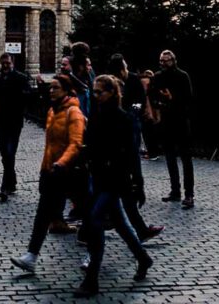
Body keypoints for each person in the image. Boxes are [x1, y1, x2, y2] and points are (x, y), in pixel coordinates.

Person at [73, 75, 153, 298]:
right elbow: (91, 144)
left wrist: (138, 183)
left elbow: (131, 154)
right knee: (121, 224)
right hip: (99, 178)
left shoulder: (123, 118)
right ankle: (143, 258)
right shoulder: (97, 115)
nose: (95, 95)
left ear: (112, 92)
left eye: (100, 92)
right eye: (94, 92)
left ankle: (91, 280)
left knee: (96, 220)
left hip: (115, 180)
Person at [11, 74, 85, 275]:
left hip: (70, 172)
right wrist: (46, 167)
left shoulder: (74, 113)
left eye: (55, 87)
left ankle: (98, 255)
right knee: (42, 215)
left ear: (67, 90)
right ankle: (31, 256)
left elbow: (76, 143)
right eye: (50, 87)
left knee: (91, 215)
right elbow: (50, 145)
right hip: (51, 171)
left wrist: (61, 163)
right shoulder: (52, 111)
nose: (51, 91)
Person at [107, 55, 164, 244]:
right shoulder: (109, 83)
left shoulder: (132, 79)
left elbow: (140, 99)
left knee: (122, 189)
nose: (125, 70)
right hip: (117, 139)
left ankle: (138, 229)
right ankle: (95, 229)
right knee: (116, 191)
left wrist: (133, 112)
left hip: (131, 126)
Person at [151, 49, 195, 209]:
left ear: (173, 61)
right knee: (170, 158)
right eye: (161, 61)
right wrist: (160, 105)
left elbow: (188, 99)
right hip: (166, 121)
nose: (163, 64)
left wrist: (172, 99)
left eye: (166, 61)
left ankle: (189, 194)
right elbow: (152, 96)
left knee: (186, 159)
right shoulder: (157, 77)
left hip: (181, 121)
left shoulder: (182, 76)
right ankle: (175, 190)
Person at [0, 53, 32, 202]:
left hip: (14, 120)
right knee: (4, 153)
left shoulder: (20, 77)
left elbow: (28, 95)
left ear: (12, 63)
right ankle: (12, 182)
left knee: (9, 152)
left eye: (7, 63)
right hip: (0, 120)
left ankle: (4, 187)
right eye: (3, 63)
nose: (5, 65)